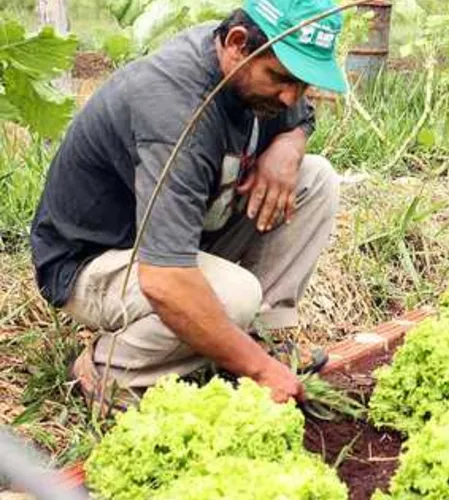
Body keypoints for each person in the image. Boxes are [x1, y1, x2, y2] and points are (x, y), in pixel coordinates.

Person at [28, 0, 347, 411]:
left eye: (303, 84)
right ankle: (110, 371)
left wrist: (290, 142)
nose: (291, 98)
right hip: (96, 262)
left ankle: (263, 336)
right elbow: (165, 280)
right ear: (236, 43)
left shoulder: (252, 73)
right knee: (236, 297)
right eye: (282, 79)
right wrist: (260, 372)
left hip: (178, 235)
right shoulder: (179, 109)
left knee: (315, 179)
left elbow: (299, 115)